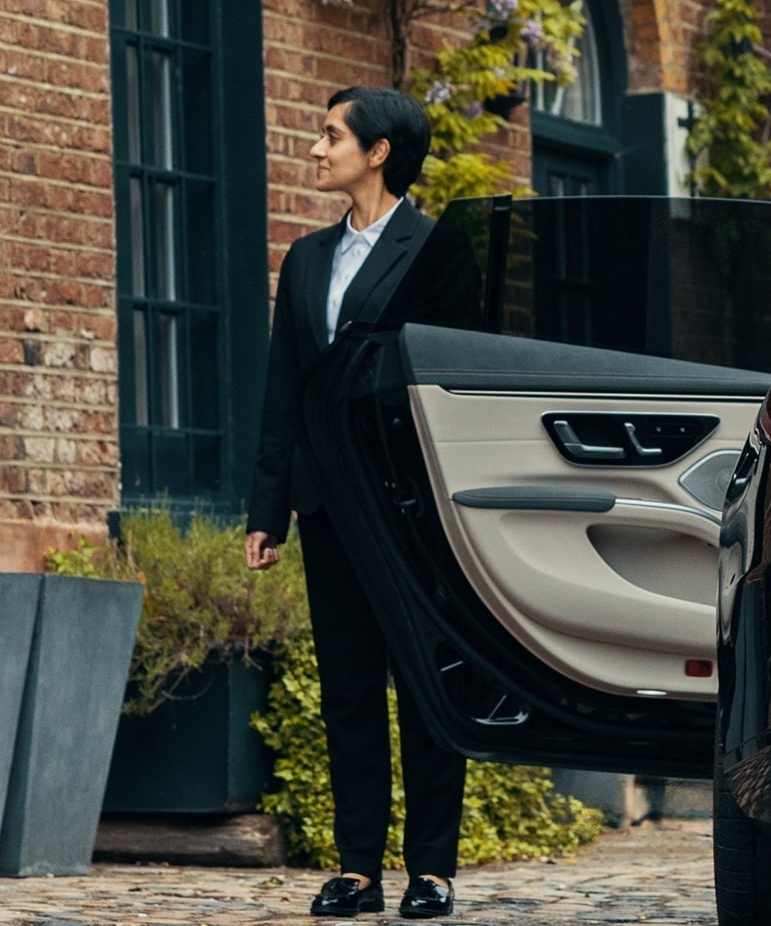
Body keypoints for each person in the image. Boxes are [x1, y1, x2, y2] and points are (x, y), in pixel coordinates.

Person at [242, 86, 482, 919]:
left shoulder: (438, 249)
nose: (317, 147)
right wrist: (267, 511)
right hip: (329, 507)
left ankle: (432, 868)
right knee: (348, 686)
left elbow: (453, 380)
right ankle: (357, 868)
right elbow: (285, 389)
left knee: (422, 685)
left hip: (413, 510)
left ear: (379, 152)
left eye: (331, 134)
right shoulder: (306, 258)